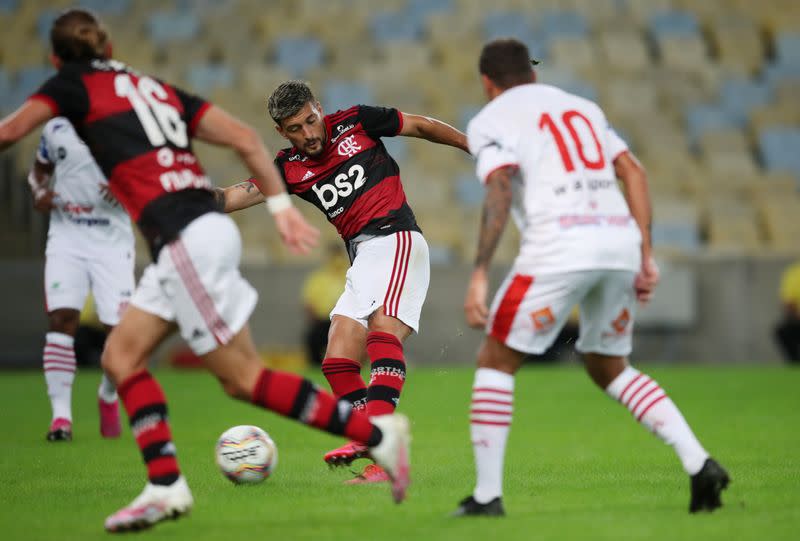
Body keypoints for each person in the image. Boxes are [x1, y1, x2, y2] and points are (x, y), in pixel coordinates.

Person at [0, 9, 410, 533]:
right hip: (196, 233)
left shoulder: (70, 86)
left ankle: (380, 438)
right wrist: (283, 209)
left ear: (57, 60)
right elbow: (241, 135)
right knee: (124, 356)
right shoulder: (150, 85)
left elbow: (11, 130)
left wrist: (280, 207)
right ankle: (166, 486)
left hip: (185, 235)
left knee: (239, 377)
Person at [452, 39, 729, 517]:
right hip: (617, 244)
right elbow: (634, 173)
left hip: (558, 248)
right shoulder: (582, 106)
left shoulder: (489, 120)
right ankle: (699, 463)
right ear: (533, 76)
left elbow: (499, 188)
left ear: (487, 84)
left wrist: (479, 272)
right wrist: (645, 254)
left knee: (495, 359)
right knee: (609, 367)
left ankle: (486, 496)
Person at [215, 80, 468, 483]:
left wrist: (473, 146)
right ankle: (367, 434)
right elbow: (232, 197)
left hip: (396, 237)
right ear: (281, 132)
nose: (308, 134)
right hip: (363, 257)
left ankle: (381, 459)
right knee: (337, 358)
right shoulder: (287, 168)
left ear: (319, 108)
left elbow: (420, 126)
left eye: (310, 121)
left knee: (382, 335)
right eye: (295, 129)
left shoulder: (357, 122)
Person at [29, 116, 133, 443]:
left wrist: (124, 189)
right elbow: (38, 172)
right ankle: (61, 417)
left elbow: (147, 175)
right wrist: (38, 191)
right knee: (62, 318)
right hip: (67, 235)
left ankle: (108, 393)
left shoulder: (126, 123)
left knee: (119, 333)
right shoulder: (55, 128)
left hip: (112, 241)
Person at [301, 244, 348, 366]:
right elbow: (309, 302)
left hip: (345, 321)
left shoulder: (349, 275)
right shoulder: (318, 277)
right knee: (313, 339)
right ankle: (316, 366)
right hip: (322, 321)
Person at [774, 260, 800, 362]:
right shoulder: (794, 273)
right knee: (784, 331)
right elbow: (788, 301)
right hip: (798, 320)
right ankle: (795, 362)